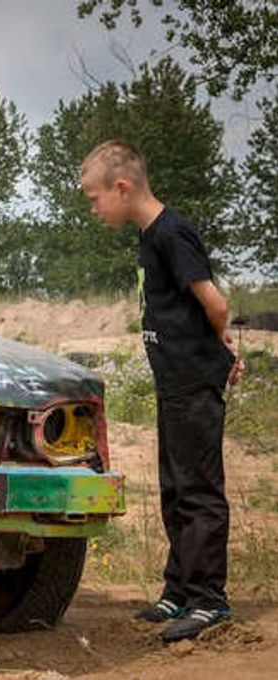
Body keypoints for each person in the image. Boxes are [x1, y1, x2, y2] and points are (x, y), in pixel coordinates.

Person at [79, 140, 245, 643]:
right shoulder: (149, 237)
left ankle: (209, 600)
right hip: (174, 383)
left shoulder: (173, 233)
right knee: (175, 486)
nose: (93, 207)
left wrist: (223, 347)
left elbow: (214, 303)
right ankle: (179, 590)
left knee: (198, 489)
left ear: (122, 188)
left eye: (94, 197)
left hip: (194, 380)